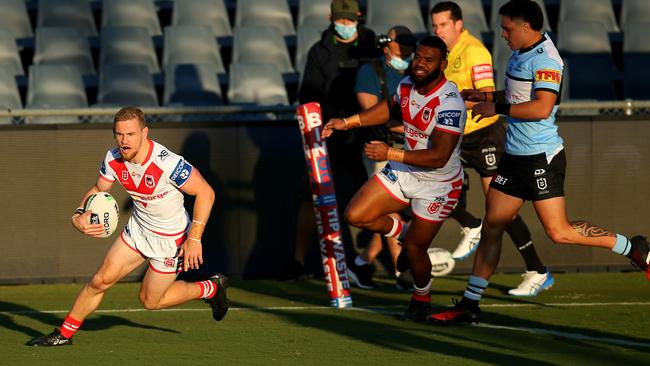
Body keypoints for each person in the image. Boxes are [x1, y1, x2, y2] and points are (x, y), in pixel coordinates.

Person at [430, 0, 650, 325]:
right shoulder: (521, 52)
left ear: (526, 27)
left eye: (507, 28)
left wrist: (497, 110)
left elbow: (541, 108)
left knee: (558, 232)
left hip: (539, 159)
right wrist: (488, 97)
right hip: (515, 157)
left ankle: (633, 247)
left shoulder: (547, 59)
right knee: (492, 225)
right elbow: (519, 96)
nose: (502, 33)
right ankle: (470, 303)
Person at [27, 106, 229, 346]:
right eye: (119, 134)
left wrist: (194, 238)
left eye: (130, 134)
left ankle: (210, 289)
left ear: (145, 133)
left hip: (170, 241)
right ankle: (64, 335)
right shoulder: (113, 158)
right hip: (138, 230)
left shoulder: (168, 163)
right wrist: (78, 214)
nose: (124, 141)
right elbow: (98, 190)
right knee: (100, 281)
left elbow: (206, 192)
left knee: (150, 301)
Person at [323, 35, 467, 321]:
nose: (420, 65)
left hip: (438, 183)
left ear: (443, 65)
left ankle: (422, 297)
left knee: (414, 250)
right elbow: (388, 109)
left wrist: (389, 153)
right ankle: (403, 232)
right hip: (406, 169)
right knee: (356, 214)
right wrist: (347, 122)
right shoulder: (406, 84)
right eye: (418, 58)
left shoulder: (450, 103)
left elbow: (438, 156)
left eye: (428, 60)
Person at [431, 1, 552, 296]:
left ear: (459, 24)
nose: (438, 30)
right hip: (457, 137)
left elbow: (490, 95)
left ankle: (536, 269)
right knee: (431, 183)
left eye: (443, 24)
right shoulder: (445, 51)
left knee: (500, 210)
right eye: (434, 25)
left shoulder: (474, 51)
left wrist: (470, 100)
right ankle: (471, 225)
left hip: (483, 135)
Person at [280, 0, 379, 280]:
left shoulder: (374, 45)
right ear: (331, 18)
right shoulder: (319, 51)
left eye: (350, 20)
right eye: (341, 20)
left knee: (387, 197)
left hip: (369, 131)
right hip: (330, 133)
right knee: (310, 194)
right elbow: (308, 97)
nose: (345, 25)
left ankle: (378, 262)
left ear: (359, 17)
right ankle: (298, 262)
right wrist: (318, 134)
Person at [348, 25, 417, 290]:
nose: (407, 49)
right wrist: (418, 126)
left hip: (413, 148)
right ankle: (404, 273)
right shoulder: (371, 71)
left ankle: (363, 261)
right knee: (392, 209)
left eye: (410, 43)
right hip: (383, 147)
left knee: (408, 214)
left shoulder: (417, 71)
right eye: (401, 43)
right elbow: (372, 114)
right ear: (386, 44)